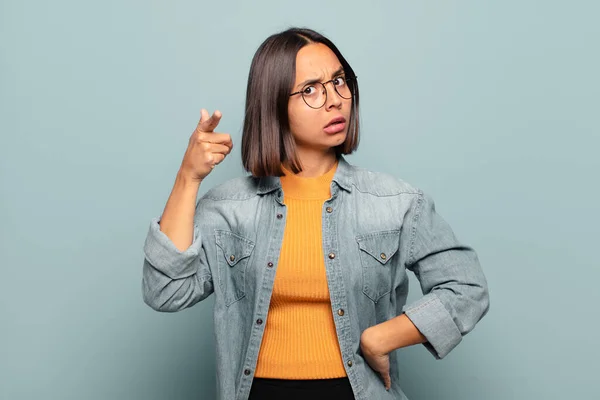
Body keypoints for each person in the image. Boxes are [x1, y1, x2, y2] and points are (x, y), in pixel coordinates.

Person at [142, 27, 489, 400]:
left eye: (340, 81)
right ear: (273, 104)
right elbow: (165, 291)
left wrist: (383, 336)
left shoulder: (396, 202)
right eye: (310, 89)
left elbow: (467, 287)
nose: (335, 100)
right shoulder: (229, 209)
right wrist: (188, 177)